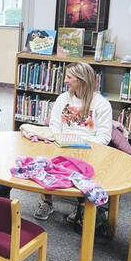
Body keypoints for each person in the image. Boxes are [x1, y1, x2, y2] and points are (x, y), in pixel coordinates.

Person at [35, 62, 113, 221]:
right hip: (62, 145)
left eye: (69, 77)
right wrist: (62, 141)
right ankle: (47, 202)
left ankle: (81, 206)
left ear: (81, 80)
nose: (65, 80)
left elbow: (104, 137)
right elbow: (54, 126)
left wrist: (80, 143)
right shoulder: (63, 99)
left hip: (88, 149)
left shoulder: (101, 104)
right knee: (44, 161)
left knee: (84, 168)